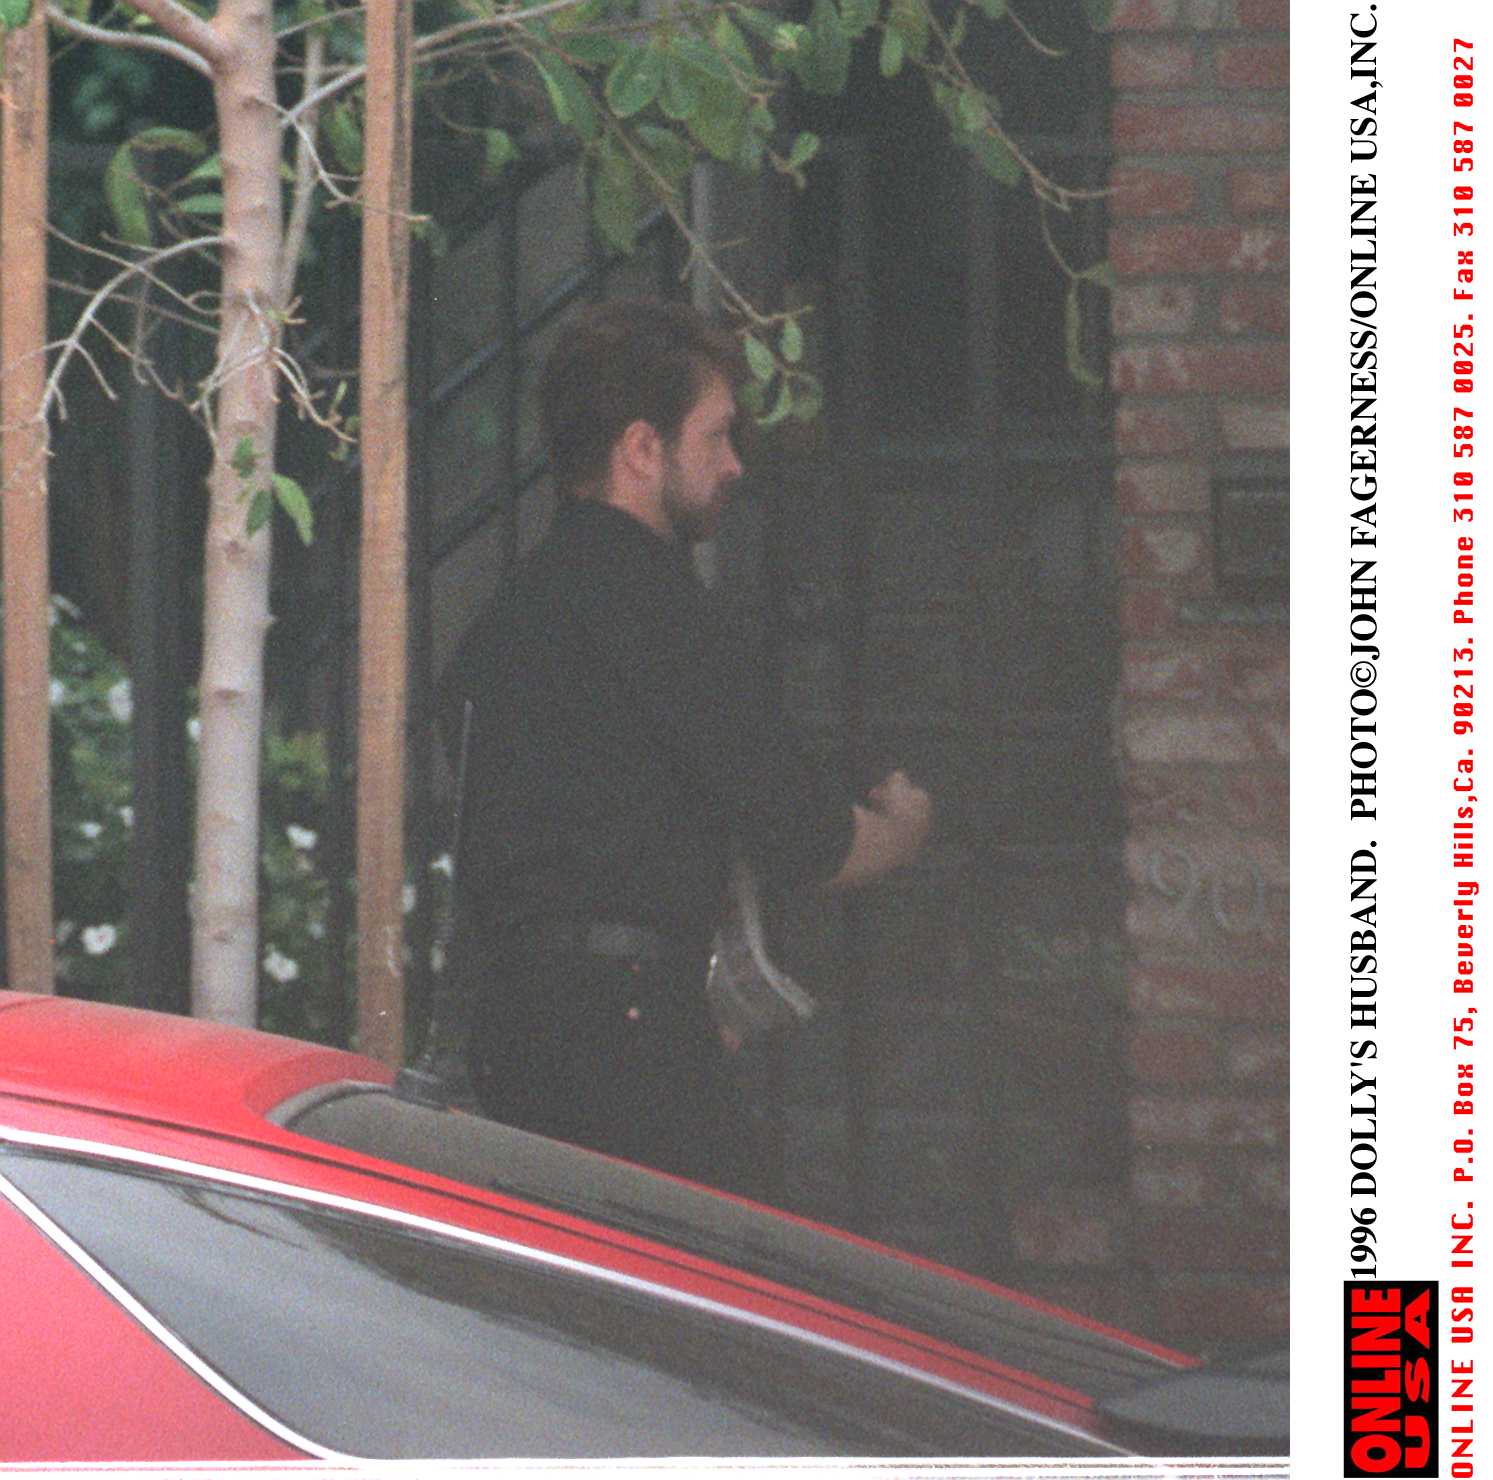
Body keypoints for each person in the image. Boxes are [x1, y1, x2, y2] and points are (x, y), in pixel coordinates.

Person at [439, 298, 931, 1191]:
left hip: (510, 1028)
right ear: (640, 449)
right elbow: (802, 837)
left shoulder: (500, 623)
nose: (735, 464)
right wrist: (902, 831)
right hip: (627, 1033)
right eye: (715, 437)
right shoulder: (663, 615)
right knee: (713, 1296)